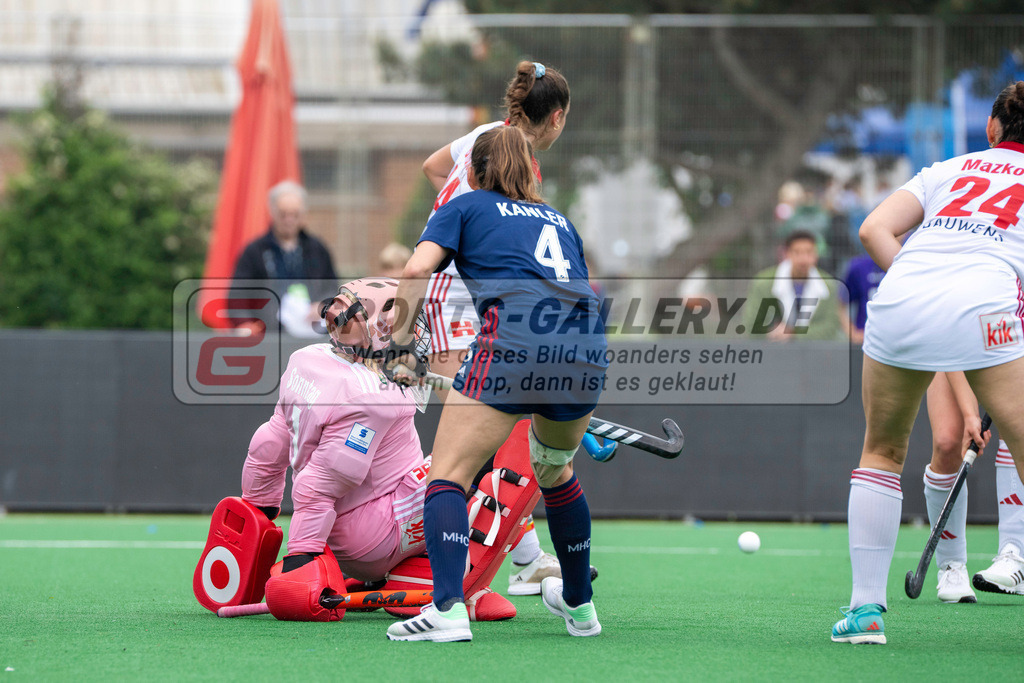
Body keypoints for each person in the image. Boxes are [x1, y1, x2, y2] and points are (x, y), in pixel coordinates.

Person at [383, 125, 608, 642]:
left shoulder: (465, 205)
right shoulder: (560, 218)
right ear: (531, 172)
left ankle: (446, 609)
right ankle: (580, 607)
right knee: (556, 472)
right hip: (585, 352)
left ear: (476, 172)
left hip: (512, 346)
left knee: (448, 476)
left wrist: (398, 341)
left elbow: (416, 270)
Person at [832, 81, 1024, 645]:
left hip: (901, 296)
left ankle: (865, 612)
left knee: (882, 451)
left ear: (992, 129)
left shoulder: (948, 168)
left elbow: (873, 229)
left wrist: (923, 286)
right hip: (988, 302)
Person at [234, 276, 517, 622]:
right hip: (372, 538)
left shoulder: (307, 358)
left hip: (333, 537)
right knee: (485, 453)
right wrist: (300, 560)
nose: (414, 334)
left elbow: (270, 442)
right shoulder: (375, 395)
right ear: (377, 328)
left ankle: (409, 570)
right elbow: (323, 481)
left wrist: (257, 511)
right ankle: (468, 585)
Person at [418, 60, 571, 593]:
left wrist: (455, 209)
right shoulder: (521, 164)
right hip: (455, 298)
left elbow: (433, 166)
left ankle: (521, 556)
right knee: (466, 450)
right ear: (555, 117)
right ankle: (474, 568)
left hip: (477, 302)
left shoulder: (486, 135)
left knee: (483, 441)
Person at [922, 373, 1024, 601]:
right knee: (948, 443)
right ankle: (952, 567)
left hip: (1008, 342)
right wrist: (970, 414)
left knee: (1016, 427)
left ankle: (1015, 551)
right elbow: (953, 350)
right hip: (956, 347)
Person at [232, 181, 337, 337]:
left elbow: (332, 288)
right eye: (283, 214)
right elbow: (238, 295)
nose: (289, 220)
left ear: (303, 213)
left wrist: (323, 306)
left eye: (295, 214)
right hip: (269, 336)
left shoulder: (317, 249)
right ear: (272, 212)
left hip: (311, 335)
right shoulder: (255, 251)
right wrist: (246, 324)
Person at [744, 230, 845, 341]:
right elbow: (752, 324)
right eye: (797, 252)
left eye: (809, 252)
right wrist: (773, 333)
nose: (803, 259)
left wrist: (793, 333)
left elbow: (831, 327)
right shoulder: (763, 283)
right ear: (787, 254)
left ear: (816, 255)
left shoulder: (828, 285)